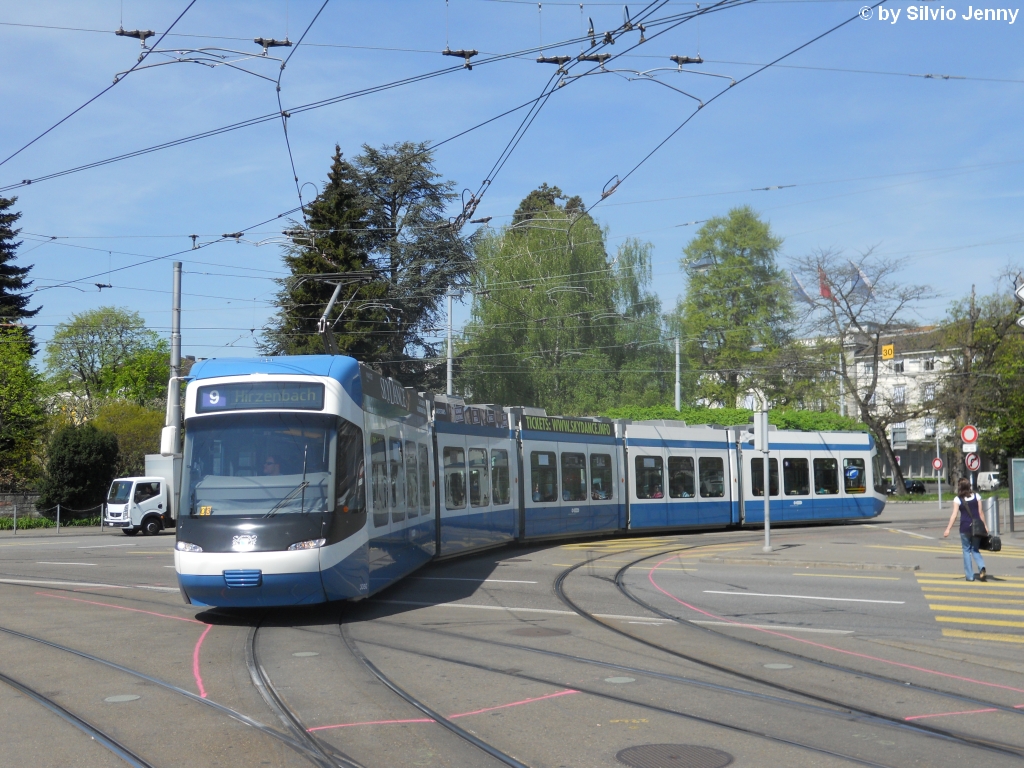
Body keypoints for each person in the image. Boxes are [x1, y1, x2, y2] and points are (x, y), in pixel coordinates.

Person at [943, 477, 988, 582]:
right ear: (969, 486)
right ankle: (982, 567)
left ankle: (970, 576)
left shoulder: (957, 499)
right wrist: (985, 525)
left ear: (960, 487)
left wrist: (948, 529)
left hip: (964, 528)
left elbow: (954, 515)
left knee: (966, 551)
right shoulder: (977, 496)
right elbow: (981, 513)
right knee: (975, 549)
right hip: (977, 528)